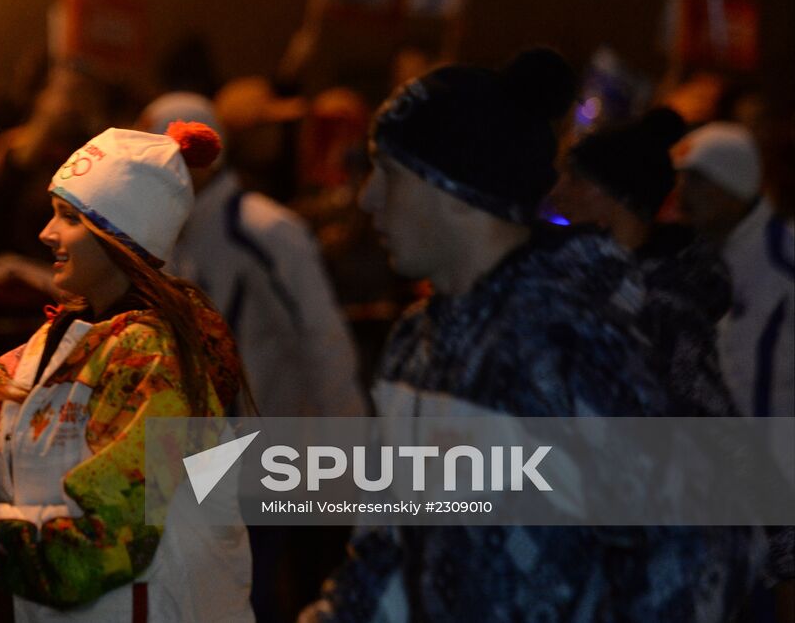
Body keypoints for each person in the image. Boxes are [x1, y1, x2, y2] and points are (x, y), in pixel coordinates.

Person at [300, 49, 759, 622]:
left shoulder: (572, 344)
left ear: (458, 193)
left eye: (389, 174)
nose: (367, 198)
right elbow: (391, 548)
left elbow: (701, 550)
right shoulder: (416, 343)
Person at [0, 122, 253, 621]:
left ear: (118, 235)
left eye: (68, 217)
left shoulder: (157, 366)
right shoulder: (48, 351)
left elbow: (98, 550)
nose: (46, 232)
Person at [142, 92, 365, 623]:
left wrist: (352, 452)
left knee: (243, 594)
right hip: (191, 450)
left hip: (255, 451)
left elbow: (322, 339)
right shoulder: (174, 232)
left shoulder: (264, 230)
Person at [551, 107, 737, 416]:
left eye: (575, 179)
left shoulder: (665, 306)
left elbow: (710, 420)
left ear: (615, 196)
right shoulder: (589, 277)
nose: (558, 191)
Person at [674, 122, 794, 421]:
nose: (683, 193)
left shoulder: (782, 261)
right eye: (682, 178)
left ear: (732, 187)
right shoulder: (697, 254)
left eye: (698, 180)